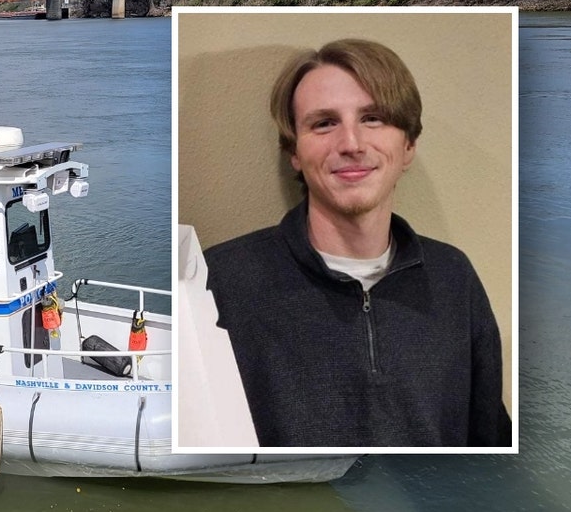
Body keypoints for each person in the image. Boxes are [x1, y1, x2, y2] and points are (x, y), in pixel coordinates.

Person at [203, 38, 512, 447]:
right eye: (323, 123)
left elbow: (490, 443)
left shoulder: (454, 277)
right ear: (294, 150)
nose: (350, 143)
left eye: (374, 118)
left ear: (408, 146)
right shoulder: (219, 282)